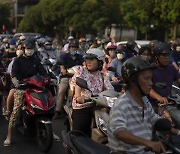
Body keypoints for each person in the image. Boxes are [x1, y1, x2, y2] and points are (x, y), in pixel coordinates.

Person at [108, 56, 180, 153]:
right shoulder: (121, 104)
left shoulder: (144, 101)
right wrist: (148, 143)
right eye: (146, 79)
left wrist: (178, 132)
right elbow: (119, 132)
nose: (151, 83)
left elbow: (154, 120)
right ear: (133, 81)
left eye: (151, 79)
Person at [4, 39, 48, 146]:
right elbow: (13, 73)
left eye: (31, 48)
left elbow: (43, 72)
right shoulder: (18, 61)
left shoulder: (36, 60)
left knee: (46, 104)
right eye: (27, 49)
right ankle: (9, 136)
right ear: (23, 49)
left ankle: (49, 129)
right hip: (22, 88)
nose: (29, 51)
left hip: (35, 87)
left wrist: (49, 78)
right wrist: (15, 80)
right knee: (16, 111)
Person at [70, 48, 114, 137]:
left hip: (99, 106)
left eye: (92, 59)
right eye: (87, 59)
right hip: (83, 106)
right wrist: (79, 97)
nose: (88, 62)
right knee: (80, 132)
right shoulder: (81, 70)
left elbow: (110, 89)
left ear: (100, 61)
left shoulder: (102, 75)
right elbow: (78, 83)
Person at [53, 41, 84, 119]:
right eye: (72, 47)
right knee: (61, 91)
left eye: (75, 47)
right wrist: (63, 69)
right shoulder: (64, 56)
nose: (73, 49)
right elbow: (61, 66)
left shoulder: (80, 57)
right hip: (66, 77)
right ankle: (57, 111)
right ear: (69, 48)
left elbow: (84, 65)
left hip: (77, 77)